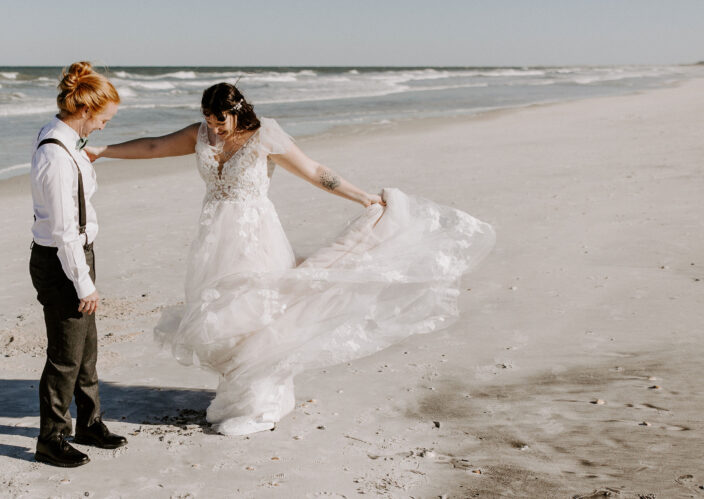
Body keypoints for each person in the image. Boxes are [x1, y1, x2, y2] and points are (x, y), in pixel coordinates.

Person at [86, 82, 494, 436]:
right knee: (224, 316)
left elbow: (315, 171)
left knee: (261, 313)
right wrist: (103, 150)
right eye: (208, 119)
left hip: (256, 236)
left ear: (237, 111)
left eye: (220, 120)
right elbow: (155, 146)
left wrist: (364, 197)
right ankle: (239, 397)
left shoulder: (265, 137)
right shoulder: (200, 134)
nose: (213, 127)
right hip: (214, 239)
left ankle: (262, 405)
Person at [29, 62, 127, 466]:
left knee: (87, 349)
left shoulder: (69, 143)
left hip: (76, 255)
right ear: (85, 111)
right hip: (60, 261)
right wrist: (84, 283)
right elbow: (64, 230)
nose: (104, 126)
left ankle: (89, 423)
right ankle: (50, 438)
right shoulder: (55, 154)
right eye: (103, 119)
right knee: (65, 356)